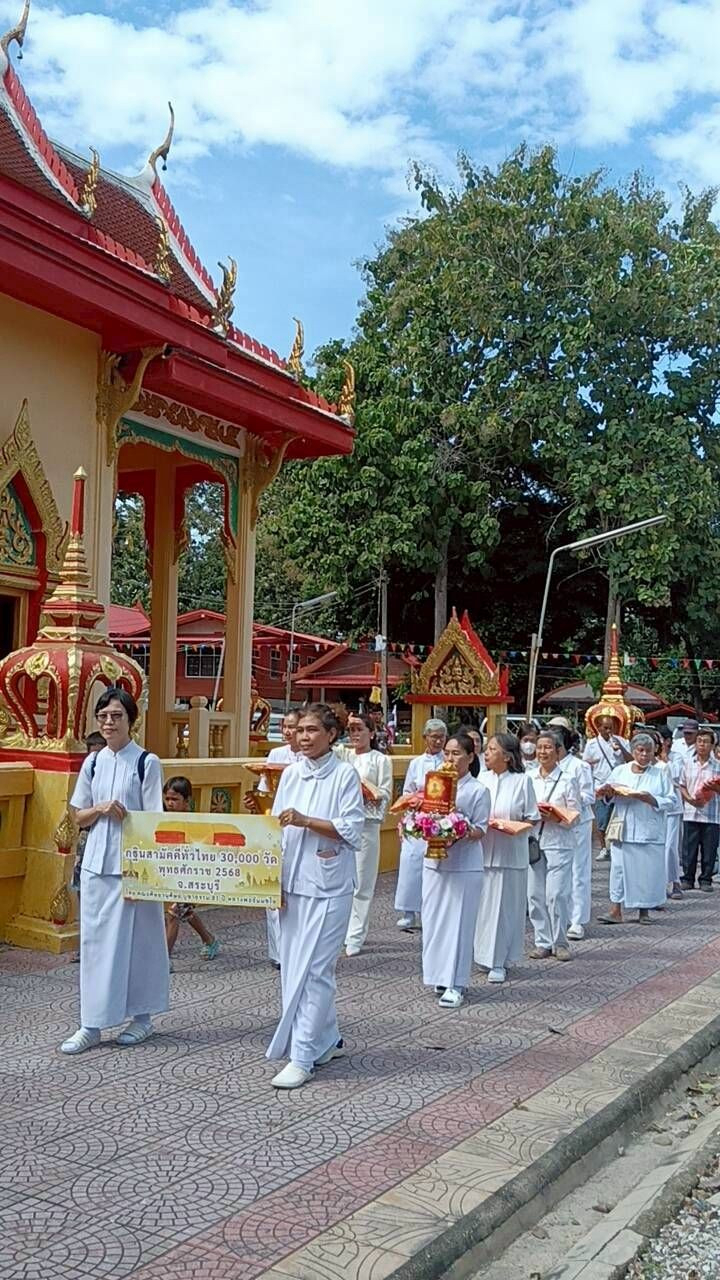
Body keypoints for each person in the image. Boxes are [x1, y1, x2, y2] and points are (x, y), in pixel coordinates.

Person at [61, 687, 168, 1054]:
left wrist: (147, 873)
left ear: (131, 720)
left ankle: (142, 1018)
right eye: (103, 716)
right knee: (94, 944)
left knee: (139, 940)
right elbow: (78, 814)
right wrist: (102, 808)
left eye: (117, 716)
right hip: (96, 864)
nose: (109, 722)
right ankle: (91, 1023)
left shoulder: (146, 762)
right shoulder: (93, 762)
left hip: (132, 865)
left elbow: (155, 819)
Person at [266, 703, 365, 1089]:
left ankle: (302, 1055)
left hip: (329, 887)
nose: (303, 737)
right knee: (293, 968)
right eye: (299, 730)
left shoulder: (344, 775)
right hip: (292, 882)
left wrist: (306, 821)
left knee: (316, 970)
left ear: (331, 734)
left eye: (311, 730)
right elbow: (275, 827)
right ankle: (327, 1038)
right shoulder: (290, 774)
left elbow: (352, 830)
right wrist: (271, 880)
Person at [421, 732, 490, 1009]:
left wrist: (456, 828)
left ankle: (457, 982)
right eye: (447, 753)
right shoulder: (434, 784)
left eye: (456, 753)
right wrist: (424, 823)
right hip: (435, 862)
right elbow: (426, 813)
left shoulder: (477, 790)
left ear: (471, 757)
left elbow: (481, 829)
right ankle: (439, 975)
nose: (450, 758)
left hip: (464, 864)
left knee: (459, 924)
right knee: (435, 922)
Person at [475, 733, 539, 983]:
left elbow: (532, 818)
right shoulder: (480, 779)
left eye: (492, 749)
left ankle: (499, 960)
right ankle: (482, 954)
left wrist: (512, 827)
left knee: (504, 909)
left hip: (510, 853)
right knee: (483, 908)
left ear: (507, 756)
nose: (487, 753)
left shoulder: (523, 782)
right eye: (487, 749)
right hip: (482, 852)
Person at [597, 733, 674, 924]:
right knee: (618, 870)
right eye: (640, 751)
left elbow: (671, 801)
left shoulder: (660, 774)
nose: (644, 755)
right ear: (633, 751)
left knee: (645, 872)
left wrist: (651, 799)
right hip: (623, 828)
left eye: (648, 751)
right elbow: (608, 795)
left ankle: (644, 911)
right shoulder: (621, 771)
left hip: (648, 830)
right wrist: (609, 793)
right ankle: (615, 909)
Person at [340, 713, 393, 956]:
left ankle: (356, 934)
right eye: (351, 729)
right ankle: (339, 928)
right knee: (340, 880)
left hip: (366, 823)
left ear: (371, 732)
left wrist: (368, 792)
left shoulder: (380, 760)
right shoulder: (343, 756)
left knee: (362, 881)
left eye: (360, 729)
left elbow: (385, 792)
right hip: (341, 824)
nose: (355, 734)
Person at [527, 730, 582, 962]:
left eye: (548, 747)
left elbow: (576, 814)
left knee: (556, 894)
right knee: (534, 895)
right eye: (540, 747)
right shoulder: (528, 778)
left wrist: (555, 816)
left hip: (559, 841)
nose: (543, 752)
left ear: (558, 751)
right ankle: (542, 941)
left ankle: (560, 941)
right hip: (534, 841)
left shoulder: (568, 779)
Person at [394, 718, 447, 931]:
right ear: (425, 738)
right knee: (410, 864)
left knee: (434, 868)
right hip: (417, 817)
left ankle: (430, 911)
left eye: (441, 737)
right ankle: (408, 911)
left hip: (439, 819)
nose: (437, 741)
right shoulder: (416, 763)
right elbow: (407, 791)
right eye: (433, 737)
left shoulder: (448, 762)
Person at [164, 777, 220, 964]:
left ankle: (163, 960)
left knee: (174, 913)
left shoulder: (196, 823)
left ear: (187, 801)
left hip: (189, 874)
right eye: (167, 799)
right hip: (169, 873)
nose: (170, 803)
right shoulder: (161, 819)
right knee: (184, 912)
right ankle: (208, 939)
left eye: (175, 800)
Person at [551, 724, 595, 942]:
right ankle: (559, 916)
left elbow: (589, 796)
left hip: (578, 824)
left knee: (578, 870)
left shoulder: (578, 766)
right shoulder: (545, 769)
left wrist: (569, 801)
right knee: (558, 872)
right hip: (553, 825)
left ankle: (577, 920)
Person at [264, 711, 301, 967]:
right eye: (285, 727)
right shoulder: (276, 756)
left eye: (294, 727)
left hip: (302, 829)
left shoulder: (311, 761)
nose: (289, 732)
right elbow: (263, 792)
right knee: (271, 889)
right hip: (275, 827)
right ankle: (277, 953)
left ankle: (296, 949)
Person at [69, 731, 106, 962]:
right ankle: (87, 945)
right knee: (84, 893)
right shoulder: (89, 772)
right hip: (87, 839)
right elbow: (78, 815)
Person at [582, 713, 631, 861]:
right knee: (602, 819)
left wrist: (620, 747)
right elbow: (585, 765)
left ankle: (616, 846)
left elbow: (630, 761)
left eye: (611, 728)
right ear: (598, 728)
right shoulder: (591, 744)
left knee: (618, 817)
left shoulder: (622, 741)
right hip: (600, 784)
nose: (609, 731)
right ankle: (604, 847)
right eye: (605, 728)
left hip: (618, 784)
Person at [680, 728, 720, 892]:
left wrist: (715, 788)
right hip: (691, 811)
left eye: (706, 742)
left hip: (711, 813)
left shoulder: (717, 766)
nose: (702, 745)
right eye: (699, 741)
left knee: (709, 849)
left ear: (712, 746)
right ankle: (687, 878)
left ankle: (706, 879)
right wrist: (688, 798)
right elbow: (681, 785)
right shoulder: (688, 763)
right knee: (689, 848)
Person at [656, 726, 683, 898]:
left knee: (670, 847)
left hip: (673, 808)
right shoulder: (651, 759)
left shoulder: (677, 757)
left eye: (660, 740)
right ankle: (663, 882)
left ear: (667, 741)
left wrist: (665, 759)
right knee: (659, 847)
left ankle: (673, 881)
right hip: (656, 807)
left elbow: (676, 777)